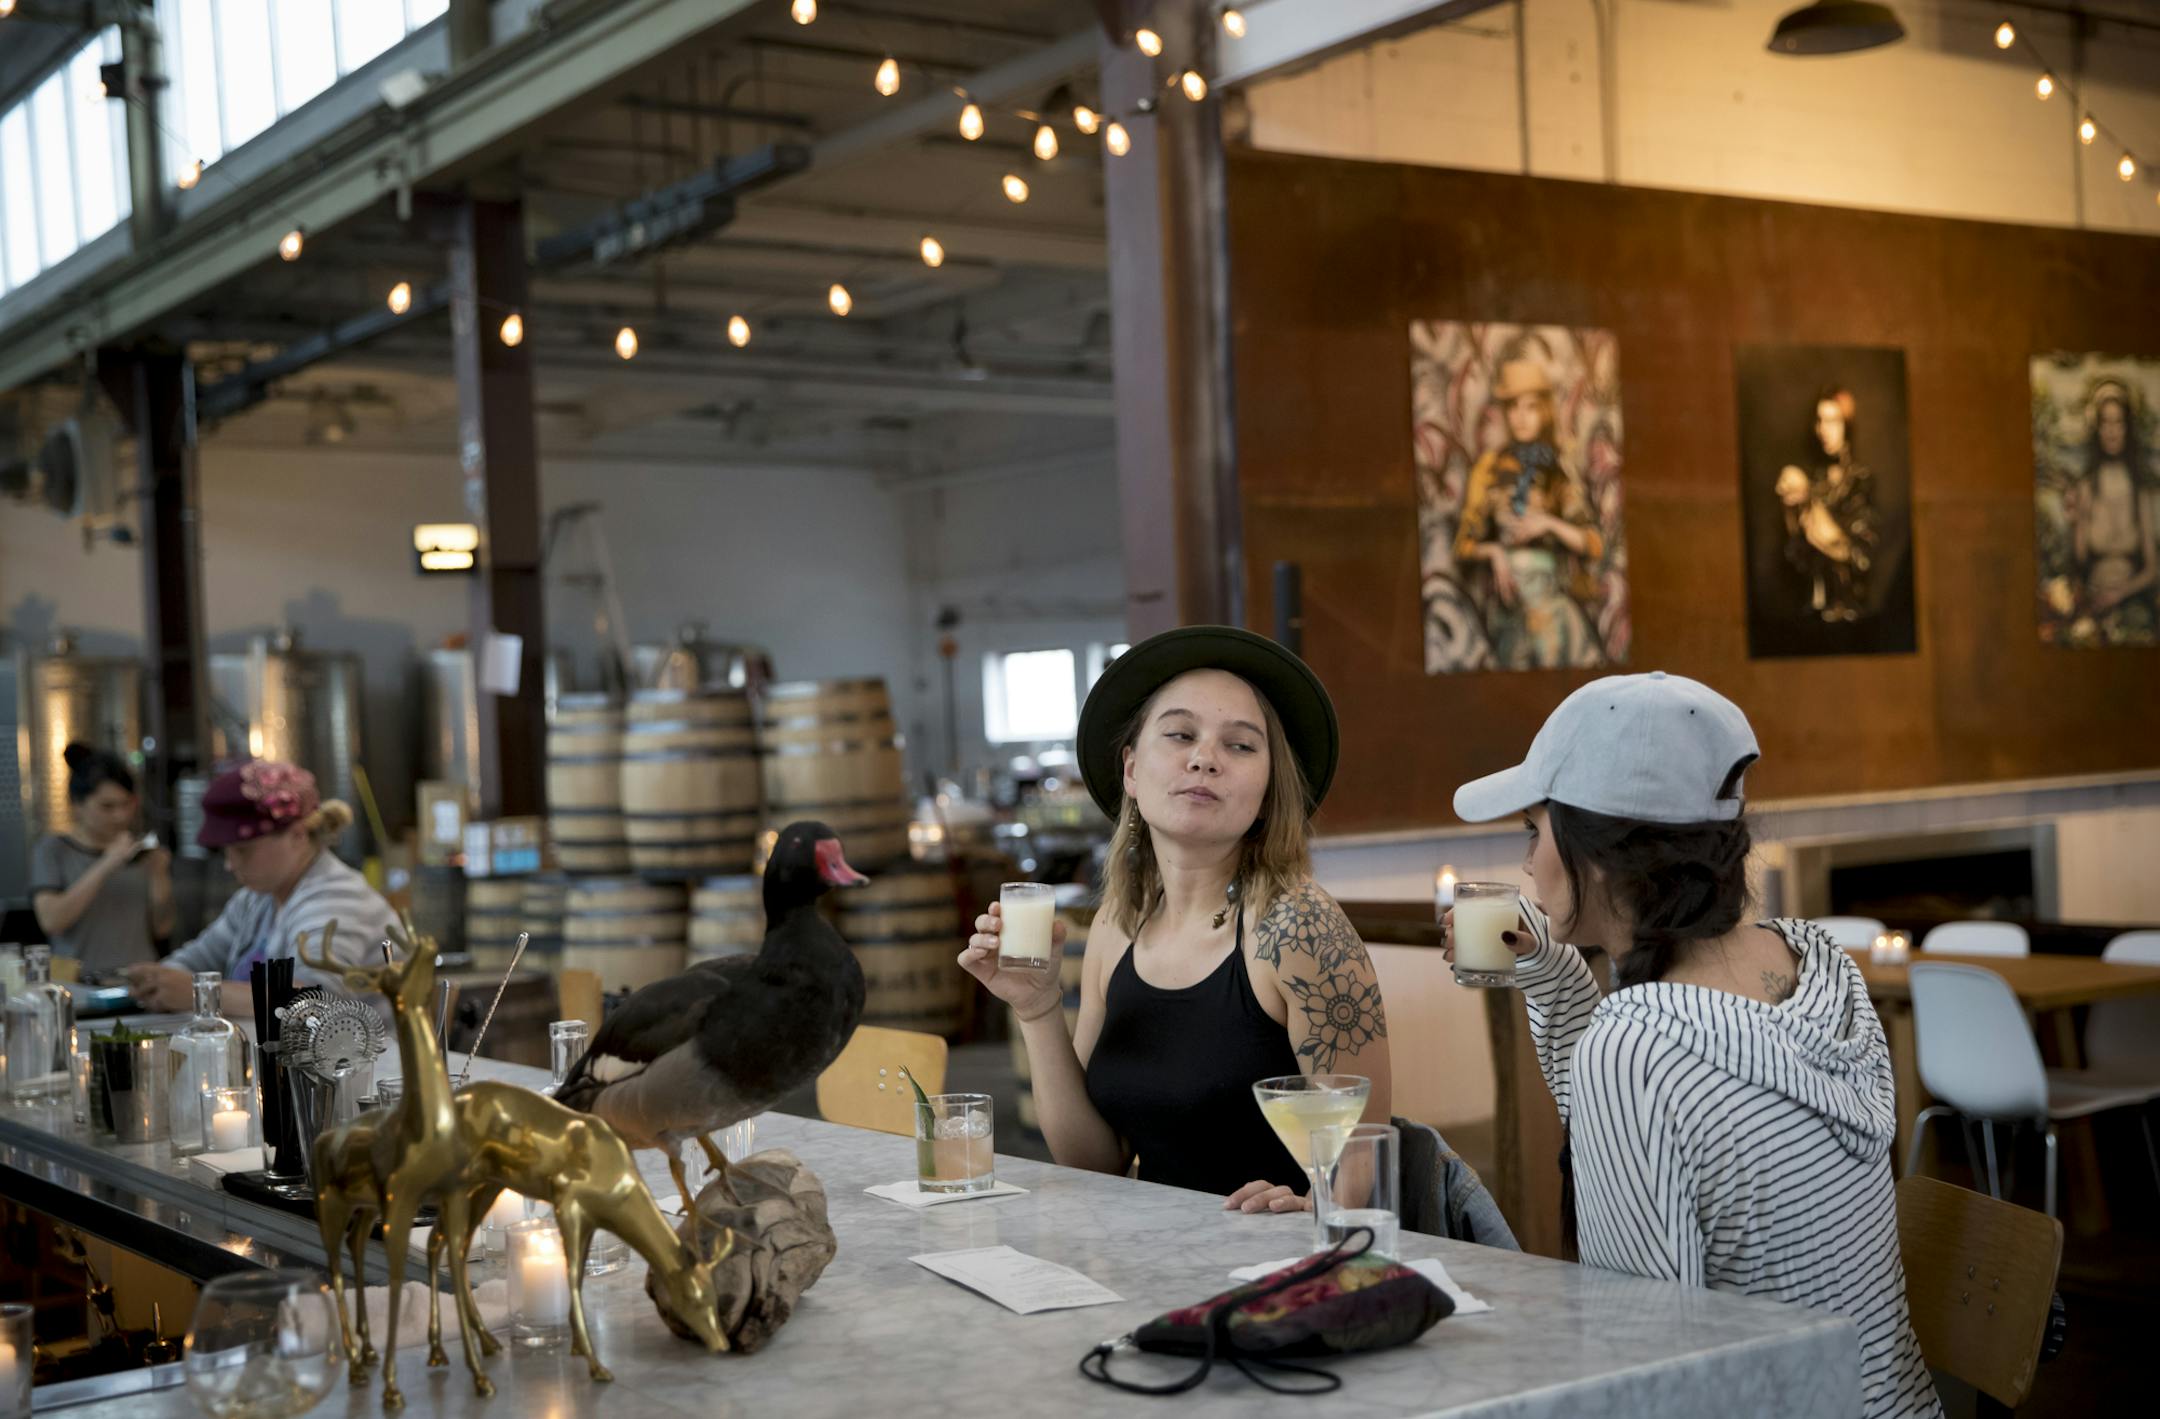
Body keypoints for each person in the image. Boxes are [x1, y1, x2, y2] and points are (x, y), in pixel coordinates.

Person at [1446, 672, 1939, 1419]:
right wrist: (1554, 975)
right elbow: (1671, 1101)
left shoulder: (1634, 1052)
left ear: (1601, 852)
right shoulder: (1817, 962)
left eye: (1532, 830)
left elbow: (1648, 1369)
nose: (1523, 863)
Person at [958, 626, 1393, 1212]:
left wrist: (1315, 1208)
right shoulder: (1118, 922)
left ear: (1267, 790)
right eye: (1181, 734)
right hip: (1155, 1262)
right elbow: (1094, 1162)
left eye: (1240, 745)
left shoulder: (1299, 928)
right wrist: (1037, 1010)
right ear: (1132, 772)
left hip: (1278, 1270)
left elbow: (1364, 1158)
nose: (1204, 758)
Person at [123, 760, 399, 1018]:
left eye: (243, 851)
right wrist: (158, 980)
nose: (230, 865)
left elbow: (317, 1002)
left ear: (297, 835)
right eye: (226, 852)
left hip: (368, 1066)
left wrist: (203, 994)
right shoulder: (257, 899)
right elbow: (201, 956)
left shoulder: (337, 898)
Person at [1453, 346, 1606, 669]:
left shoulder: (1558, 470)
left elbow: (1593, 543)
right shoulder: (1490, 468)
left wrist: (1548, 524)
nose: (1521, 417)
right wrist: (1494, 552)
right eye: (1513, 408)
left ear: (1545, 411)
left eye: (1531, 408)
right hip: (1509, 607)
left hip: (1552, 601)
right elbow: (1463, 545)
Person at [29, 744, 173, 976]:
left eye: (127, 804)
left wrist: (159, 875)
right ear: (77, 805)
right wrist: (107, 863)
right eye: (107, 807)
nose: (120, 815)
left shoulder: (139, 852)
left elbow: (162, 927)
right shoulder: (53, 849)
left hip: (138, 979)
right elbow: (51, 920)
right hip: (78, 984)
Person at [2062, 379, 2157, 642]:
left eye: (2118, 423)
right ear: (2097, 429)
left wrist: (2121, 593)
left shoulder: (2140, 490)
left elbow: (2152, 568)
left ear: (2127, 428)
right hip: (2094, 601)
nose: (2112, 431)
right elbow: (2080, 560)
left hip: (2131, 601)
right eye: (2105, 423)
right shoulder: (2086, 487)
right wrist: (2076, 520)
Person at [1777, 386, 1879, 624]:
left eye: (1833, 421)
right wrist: (1792, 510)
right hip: (1814, 607)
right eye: (1820, 421)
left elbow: (1852, 552)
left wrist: (1810, 504)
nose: (1824, 430)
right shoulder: (1815, 480)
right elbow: (1797, 554)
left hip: (1850, 611)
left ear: (1847, 425)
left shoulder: (1860, 481)